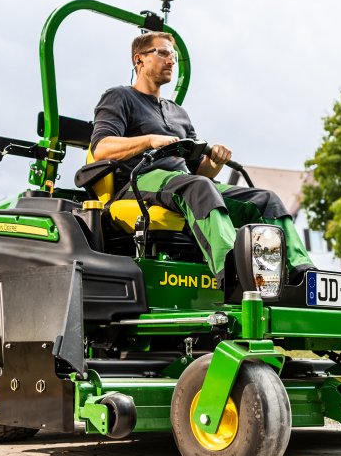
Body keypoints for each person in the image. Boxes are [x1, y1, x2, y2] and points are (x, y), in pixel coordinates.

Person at [89, 31, 315, 286]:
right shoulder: (120, 97)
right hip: (139, 181)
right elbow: (101, 148)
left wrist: (215, 161)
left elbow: (200, 172)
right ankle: (233, 272)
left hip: (184, 183)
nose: (170, 60)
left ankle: (302, 274)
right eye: (162, 53)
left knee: (265, 200)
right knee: (198, 187)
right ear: (139, 59)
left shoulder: (178, 113)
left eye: (173, 56)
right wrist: (149, 140)